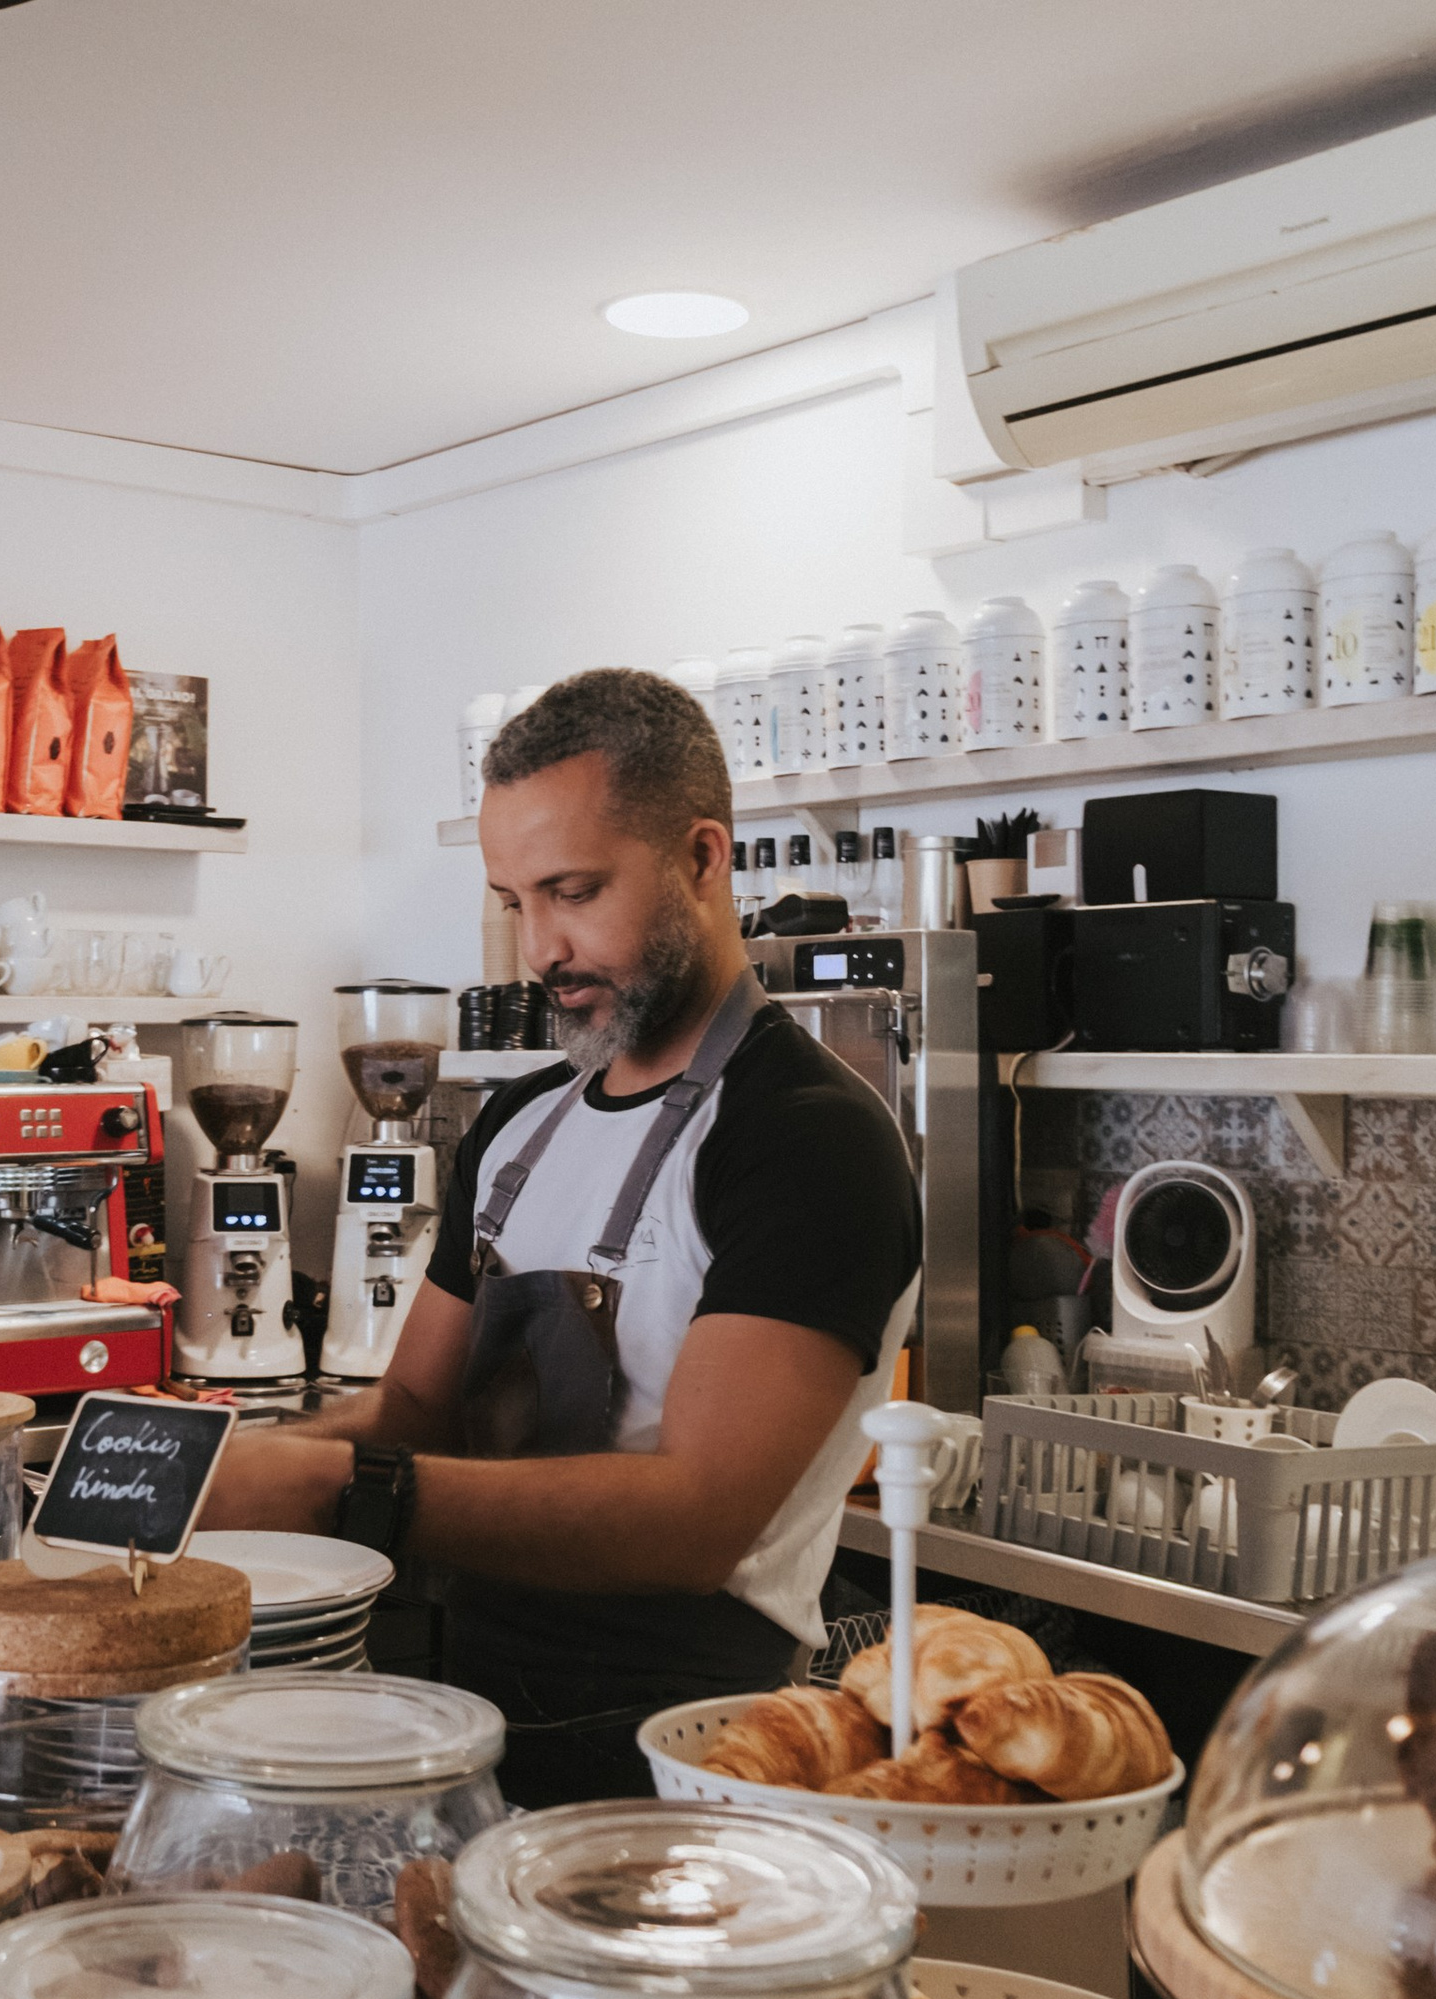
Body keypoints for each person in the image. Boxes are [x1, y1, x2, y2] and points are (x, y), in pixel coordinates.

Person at [207, 668, 923, 1799]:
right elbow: (413, 1410)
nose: (540, 946)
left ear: (702, 858)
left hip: (685, 1749)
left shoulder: (804, 1139)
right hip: (469, 1710)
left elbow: (696, 1518)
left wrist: (336, 1491)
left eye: (574, 890)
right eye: (513, 900)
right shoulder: (518, 1121)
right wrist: (223, 1464)